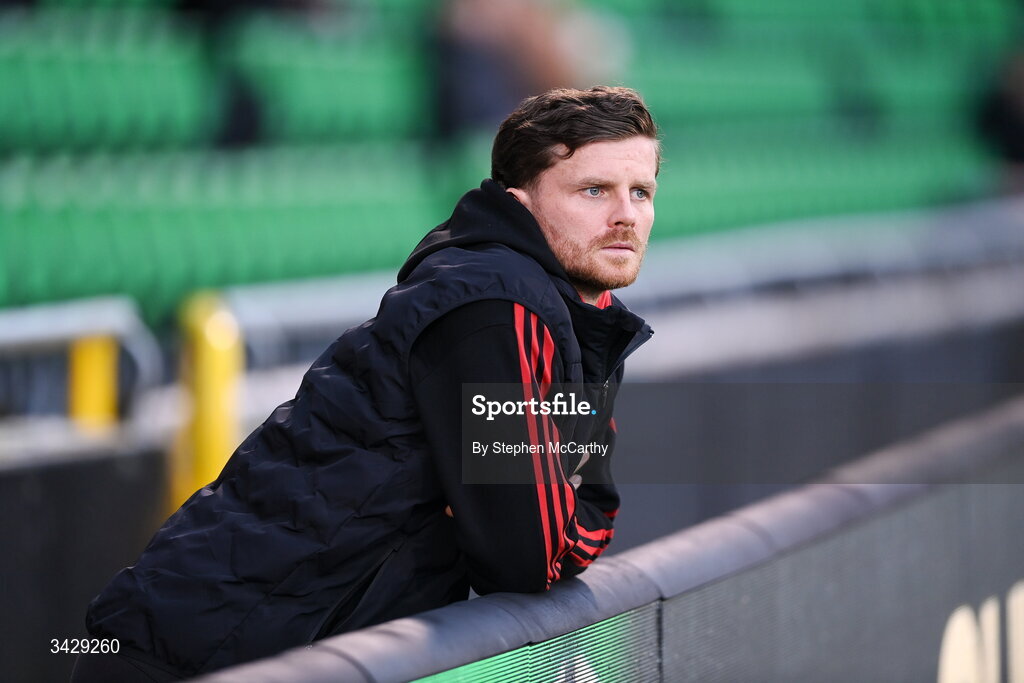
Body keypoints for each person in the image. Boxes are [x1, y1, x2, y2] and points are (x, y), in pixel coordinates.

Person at [72, 85, 658, 681]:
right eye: (593, 190)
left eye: (641, 193)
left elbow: (582, 509)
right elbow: (529, 552)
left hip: (249, 646)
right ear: (521, 200)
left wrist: (553, 514)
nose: (625, 216)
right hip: (189, 655)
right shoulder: (497, 302)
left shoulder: (577, 314)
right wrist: (548, 514)